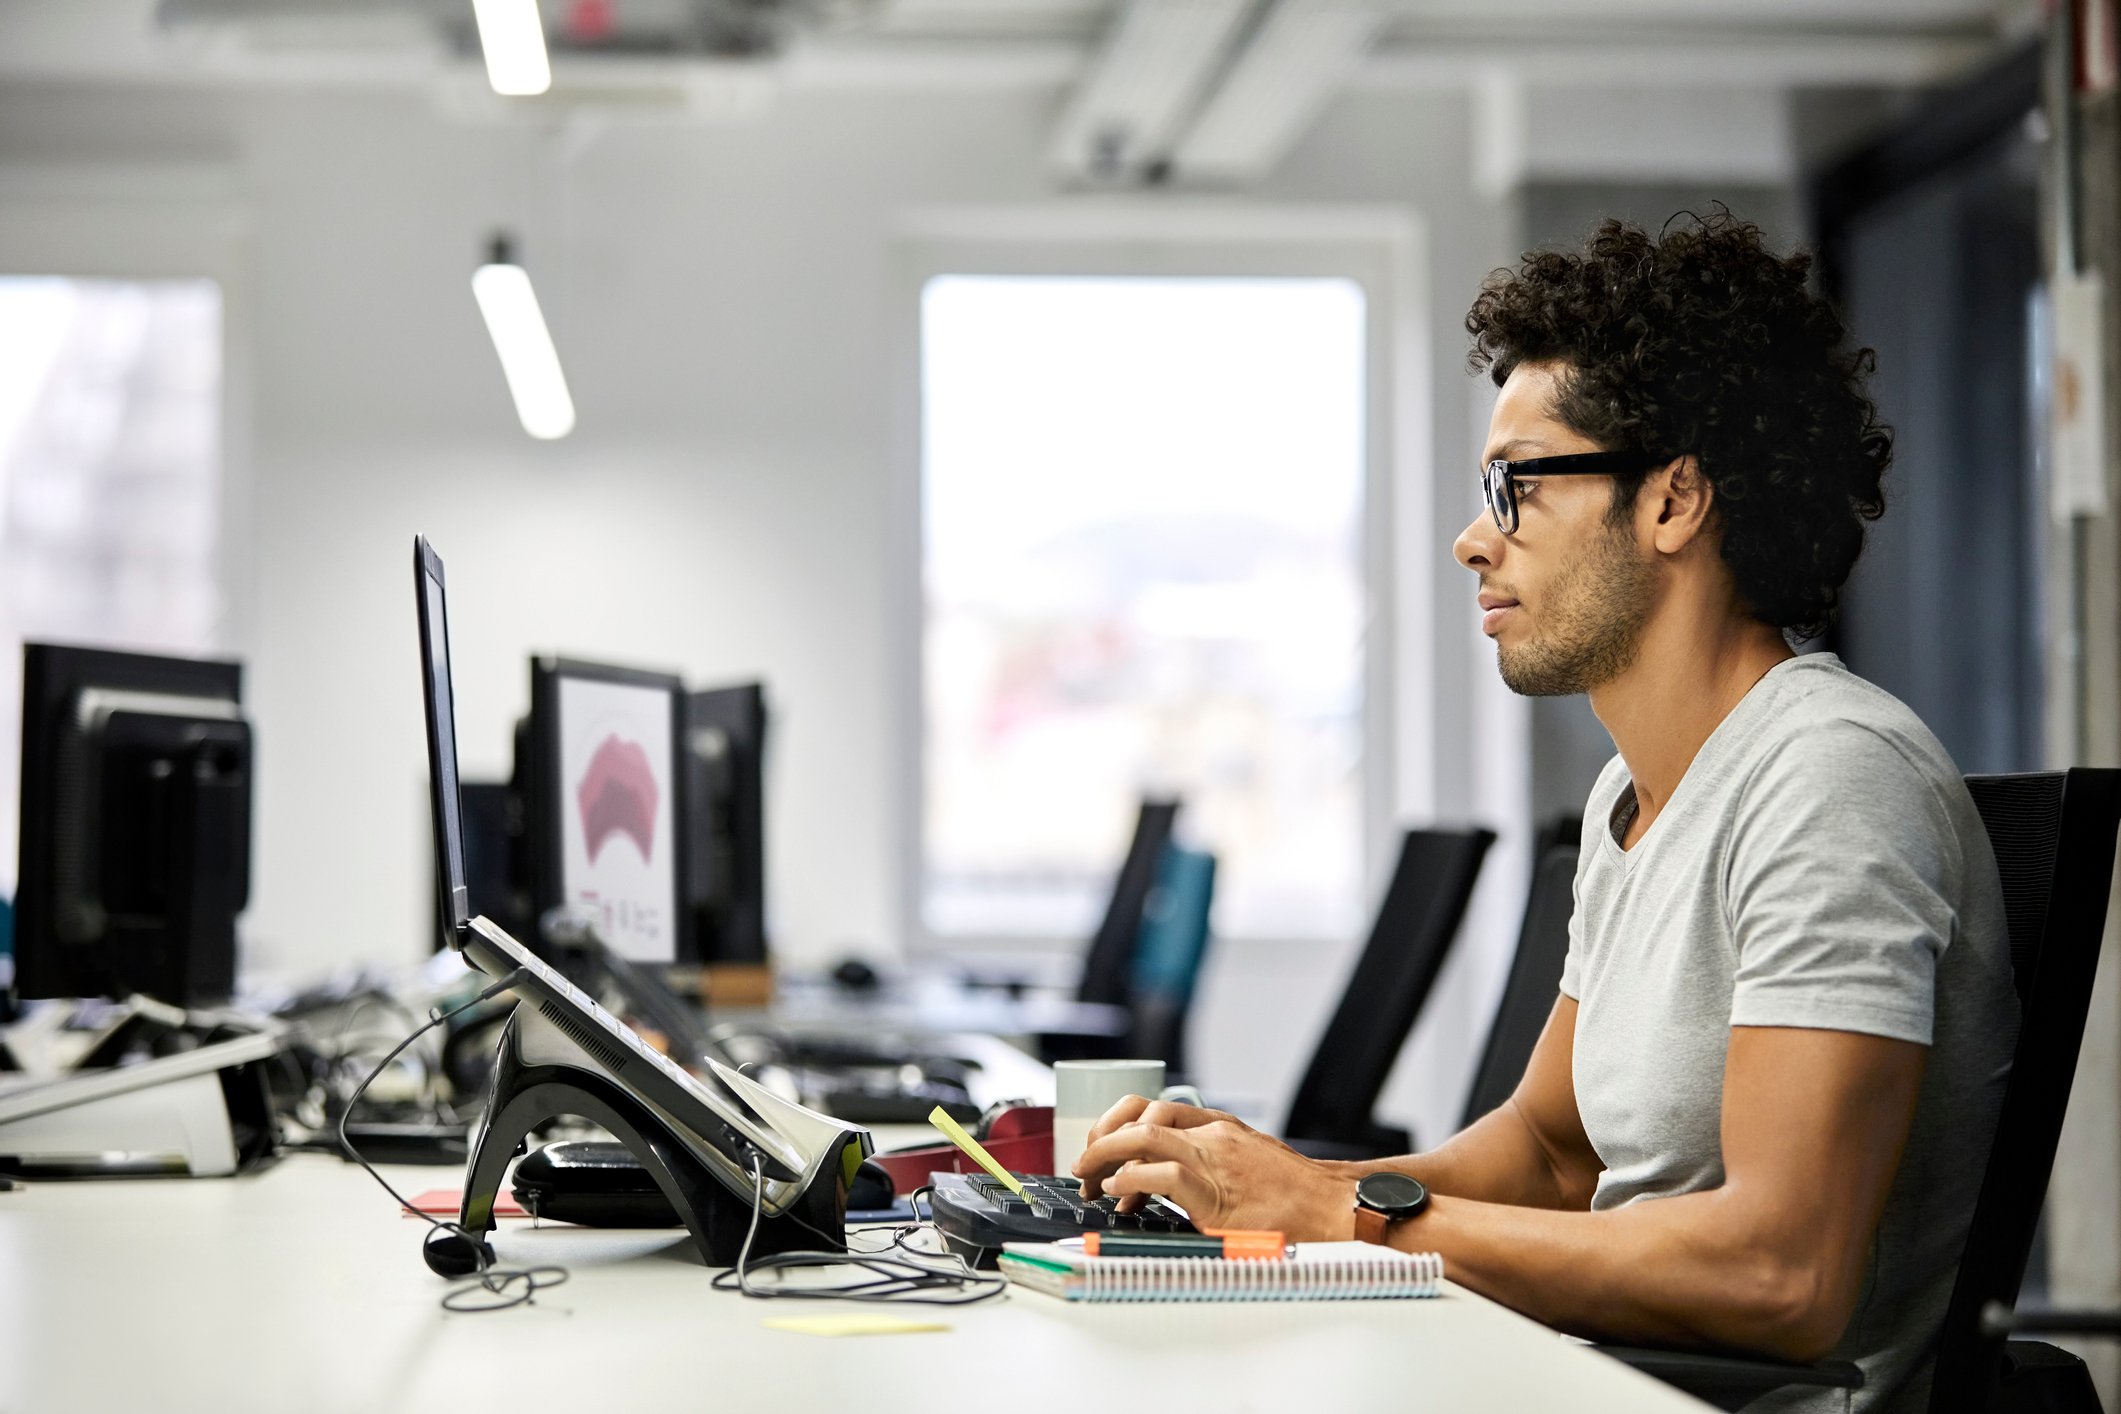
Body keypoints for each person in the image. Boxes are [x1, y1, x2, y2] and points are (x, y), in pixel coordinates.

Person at [1071, 211, 2016, 1414]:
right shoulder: (1635, 791)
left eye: (1519, 485)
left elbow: (1788, 1273)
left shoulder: (1829, 779)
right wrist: (1254, 1184)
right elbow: (1552, 1153)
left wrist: (1334, 1213)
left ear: (1674, 500)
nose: (1477, 539)